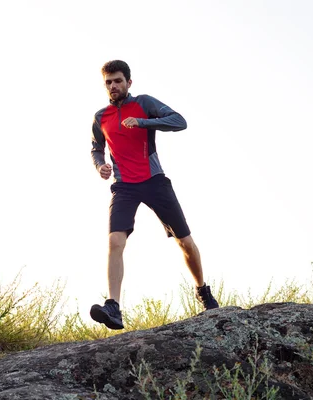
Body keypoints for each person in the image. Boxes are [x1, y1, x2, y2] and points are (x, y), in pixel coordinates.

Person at [89, 60, 219, 330]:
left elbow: (179, 121)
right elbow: (96, 147)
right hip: (123, 185)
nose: (113, 86)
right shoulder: (100, 117)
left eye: (118, 81)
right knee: (115, 241)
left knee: (185, 242)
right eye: (109, 82)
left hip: (154, 181)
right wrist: (99, 164)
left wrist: (144, 122)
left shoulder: (144, 103)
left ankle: (202, 290)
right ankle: (113, 306)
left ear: (129, 83)